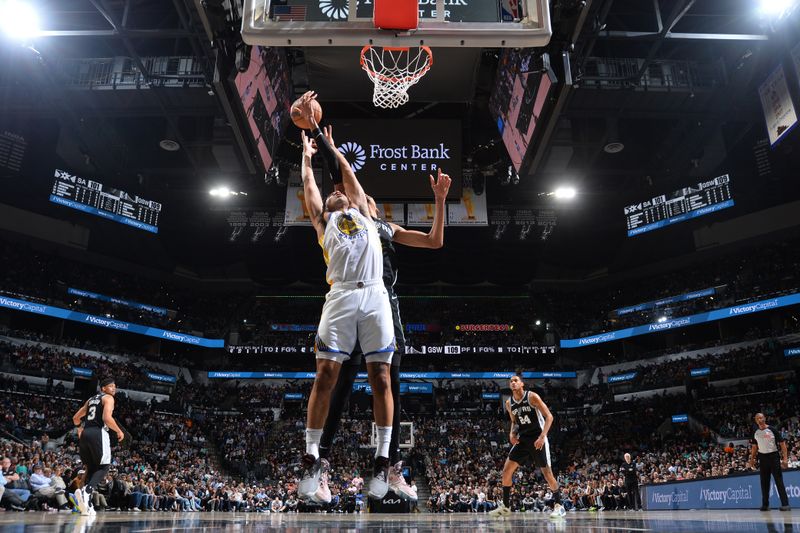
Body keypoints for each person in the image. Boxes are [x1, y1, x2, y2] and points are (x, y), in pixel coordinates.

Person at [312, 116, 450, 502]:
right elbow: (339, 176)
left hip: (386, 309)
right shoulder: (351, 223)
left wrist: (439, 201)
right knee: (338, 387)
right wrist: (323, 142)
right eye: (360, 197)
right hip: (354, 300)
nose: (364, 198)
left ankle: (390, 466)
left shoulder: (388, 228)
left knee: (392, 386)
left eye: (367, 198)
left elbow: (435, 242)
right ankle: (320, 465)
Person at [295, 91, 396, 503]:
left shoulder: (364, 211)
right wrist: (306, 153)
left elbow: (347, 178)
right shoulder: (324, 222)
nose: (335, 193)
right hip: (339, 298)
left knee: (382, 378)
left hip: (374, 297)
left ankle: (383, 460)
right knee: (326, 376)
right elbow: (309, 185)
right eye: (332, 194)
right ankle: (312, 456)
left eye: (340, 191)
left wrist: (332, 148)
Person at [490, 373, 565, 518]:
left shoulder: (532, 397)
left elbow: (549, 416)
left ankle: (559, 505)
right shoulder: (509, 403)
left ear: (522, 383)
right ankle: (505, 506)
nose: (513, 383)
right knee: (506, 471)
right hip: (523, 440)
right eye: (511, 381)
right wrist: (511, 434)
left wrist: (543, 436)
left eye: (516, 380)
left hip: (538, 438)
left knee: (547, 473)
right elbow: (514, 421)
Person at [71, 377, 125, 516]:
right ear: (103, 388)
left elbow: (76, 418)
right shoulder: (108, 398)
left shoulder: (90, 400)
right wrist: (119, 430)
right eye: (111, 386)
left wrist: (79, 428)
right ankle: (87, 492)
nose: (114, 388)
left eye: (115, 386)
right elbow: (107, 418)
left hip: (85, 434)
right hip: (98, 433)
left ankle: (86, 504)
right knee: (104, 466)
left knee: (91, 467)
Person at [749, 412, 791, 511]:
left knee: (778, 480)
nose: (760, 419)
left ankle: (785, 504)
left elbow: (782, 444)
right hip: (762, 458)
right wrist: (752, 460)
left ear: (765, 418)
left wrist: (785, 459)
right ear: (756, 420)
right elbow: (754, 447)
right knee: (764, 482)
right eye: (758, 418)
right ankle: (765, 505)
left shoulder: (772, 429)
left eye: (762, 417)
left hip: (773, 457)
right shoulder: (755, 432)